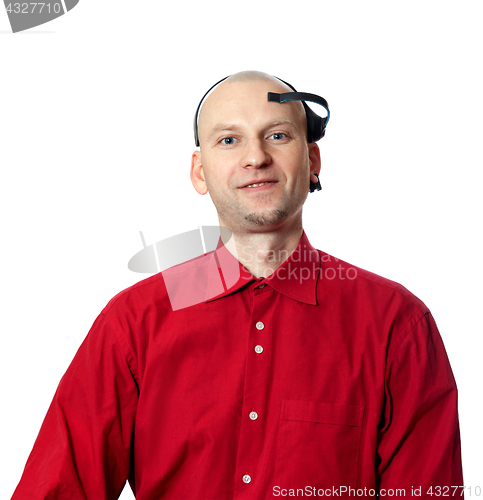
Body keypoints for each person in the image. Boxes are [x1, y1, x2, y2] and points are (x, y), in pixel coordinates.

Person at [11, 71, 463, 499]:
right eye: (229, 140)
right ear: (200, 172)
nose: (255, 157)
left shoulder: (396, 325)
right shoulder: (133, 324)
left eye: (278, 135)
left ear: (313, 161)